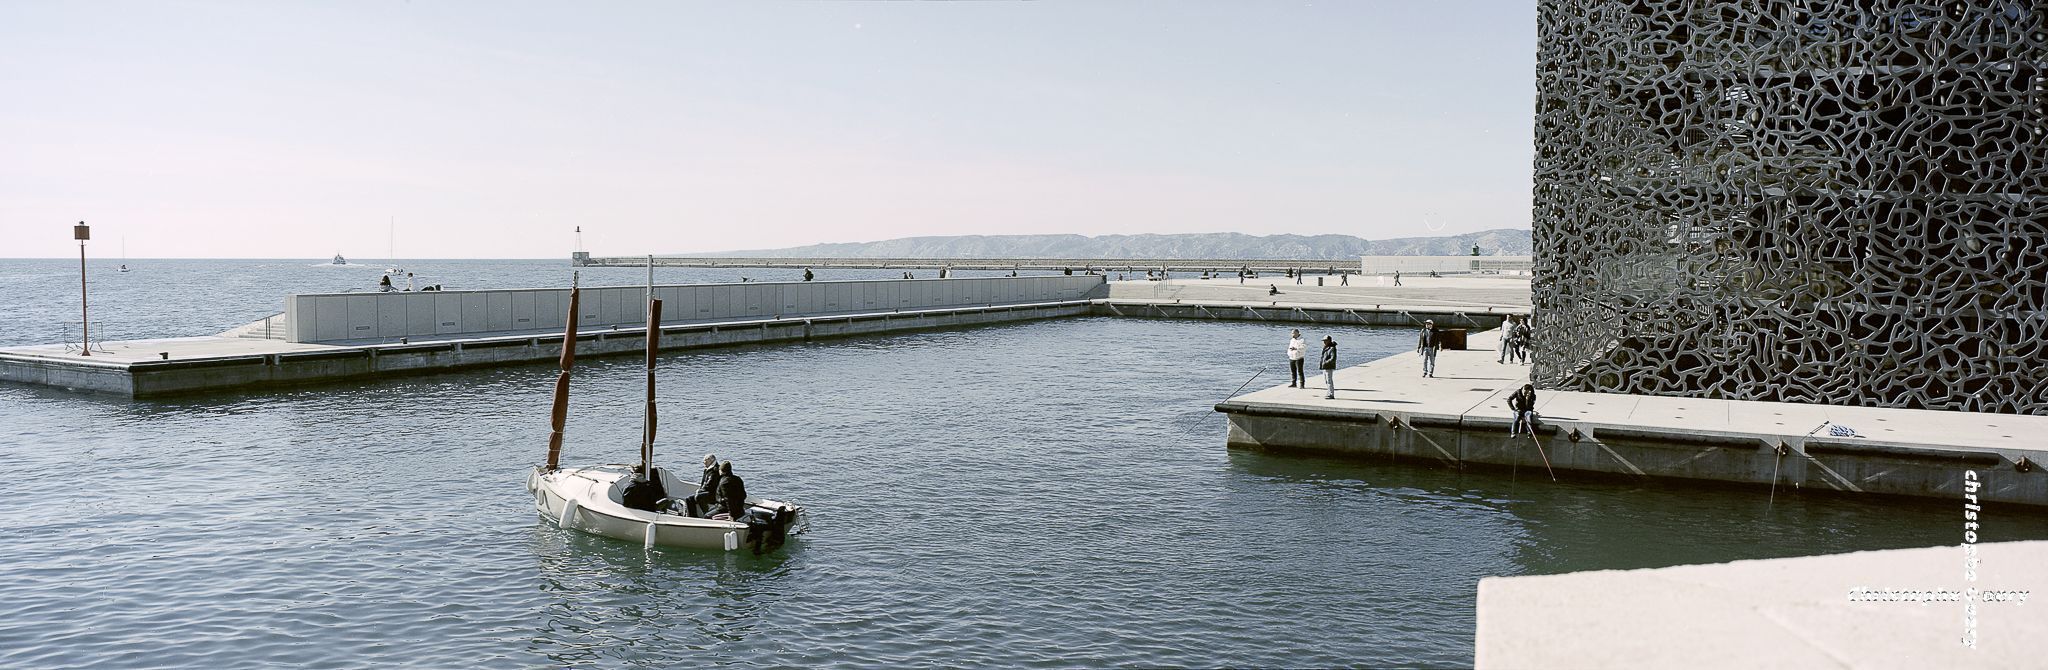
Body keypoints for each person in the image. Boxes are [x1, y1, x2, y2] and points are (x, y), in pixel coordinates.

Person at [683, 453, 722, 517]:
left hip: (713, 494)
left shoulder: (715, 470)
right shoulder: (707, 469)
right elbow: (704, 483)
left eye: (705, 460)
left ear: (710, 460)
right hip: (707, 491)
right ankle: (693, 516)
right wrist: (700, 490)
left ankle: (707, 514)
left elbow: (710, 484)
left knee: (699, 497)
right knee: (689, 499)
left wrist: (700, 490)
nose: (703, 462)